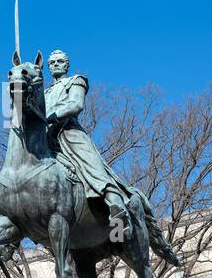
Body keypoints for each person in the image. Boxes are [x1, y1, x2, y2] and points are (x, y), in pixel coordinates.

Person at [44, 49, 145, 243]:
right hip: (47, 138)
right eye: (52, 62)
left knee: (88, 161)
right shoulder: (45, 92)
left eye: (60, 61)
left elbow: (75, 105)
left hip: (68, 132)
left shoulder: (76, 80)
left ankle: (114, 200)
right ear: (48, 67)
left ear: (66, 65)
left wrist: (51, 115)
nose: (56, 64)